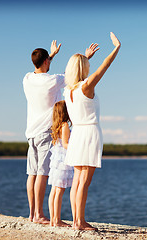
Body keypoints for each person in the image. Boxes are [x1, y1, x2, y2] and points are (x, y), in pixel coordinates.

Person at [23, 40, 99, 224]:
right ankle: (39, 215)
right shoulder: (52, 81)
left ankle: (32, 213)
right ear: (46, 62)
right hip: (45, 131)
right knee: (42, 173)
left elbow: (41, 65)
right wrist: (86, 57)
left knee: (32, 173)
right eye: (48, 59)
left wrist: (51, 55)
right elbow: (71, 75)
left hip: (30, 132)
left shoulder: (27, 78)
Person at [64, 32, 121, 230]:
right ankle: (79, 222)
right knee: (84, 182)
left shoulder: (68, 89)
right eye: (86, 65)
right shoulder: (86, 86)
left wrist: (85, 57)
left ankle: (76, 220)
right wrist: (116, 48)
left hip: (77, 134)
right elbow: (104, 67)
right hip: (89, 134)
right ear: (83, 69)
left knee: (77, 180)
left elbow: (75, 71)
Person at [47, 100, 73, 227]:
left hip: (56, 163)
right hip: (63, 162)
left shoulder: (56, 126)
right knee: (59, 191)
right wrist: (77, 147)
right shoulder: (65, 126)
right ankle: (57, 220)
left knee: (54, 190)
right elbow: (66, 144)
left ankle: (53, 219)